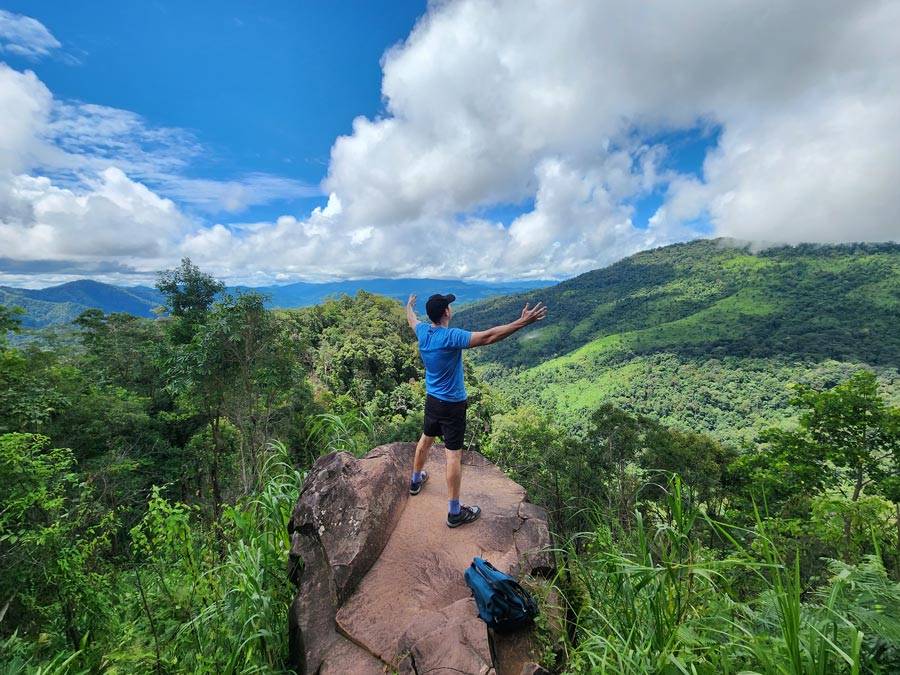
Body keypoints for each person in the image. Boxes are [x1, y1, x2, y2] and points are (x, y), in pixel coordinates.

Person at [405, 292, 548, 528]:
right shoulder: (450, 336)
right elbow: (489, 337)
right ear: (446, 313)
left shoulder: (423, 332)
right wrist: (522, 322)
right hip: (452, 404)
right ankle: (454, 512)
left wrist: (408, 306)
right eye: (449, 306)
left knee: (426, 438)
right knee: (453, 455)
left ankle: (415, 481)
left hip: (432, 400)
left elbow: (412, 319)